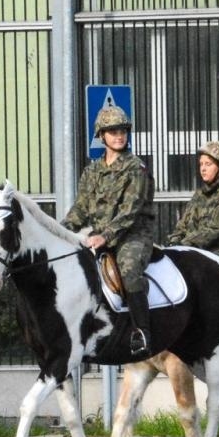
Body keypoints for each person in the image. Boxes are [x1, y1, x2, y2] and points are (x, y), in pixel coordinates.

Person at [63, 105, 157, 357]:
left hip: (133, 235)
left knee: (127, 270)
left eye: (123, 131)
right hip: (98, 236)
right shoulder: (92, 171)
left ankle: (142, 333)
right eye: (113, 131)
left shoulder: (136, 168)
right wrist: (61, 233)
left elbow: (131, 210)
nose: (119, 136)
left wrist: (104, 236)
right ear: (101, 135)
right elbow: (80, 209)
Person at [167, 140, 219, 271]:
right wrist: (173, 243)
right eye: (201, 164)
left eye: (208, 164)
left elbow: (215, 230)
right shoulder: (199, 194)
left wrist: (183, 244)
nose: (203, 169)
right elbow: (183, 224)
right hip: (196, 249)